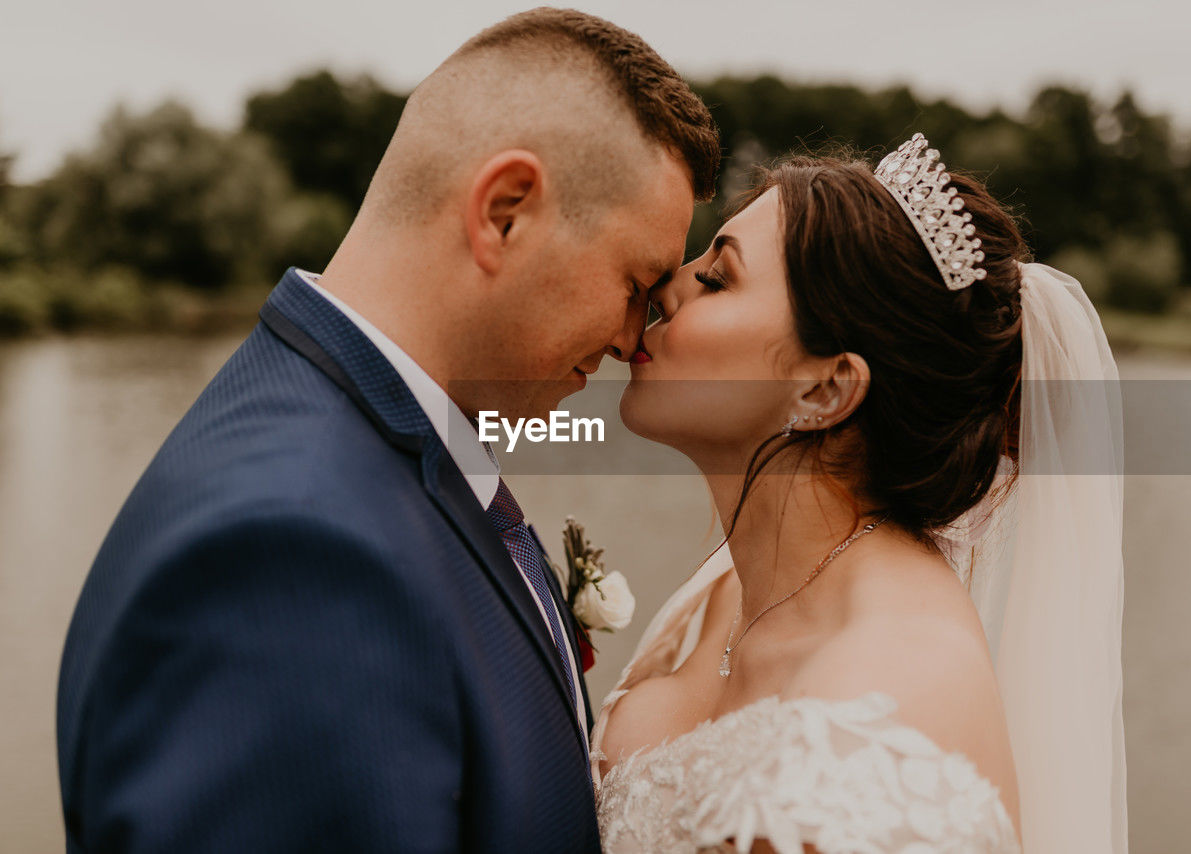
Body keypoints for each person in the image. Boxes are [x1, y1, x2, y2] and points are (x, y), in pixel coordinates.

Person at [55, 8, 719, 852]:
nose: (634, 340)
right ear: (505, 212)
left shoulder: (363, 442)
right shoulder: (291, 560)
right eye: (635, 282)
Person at [594, 135, 1127, 853]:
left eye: (716, 278)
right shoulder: (733, 588)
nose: (667, 283)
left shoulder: (890, 689)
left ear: (826, 387)